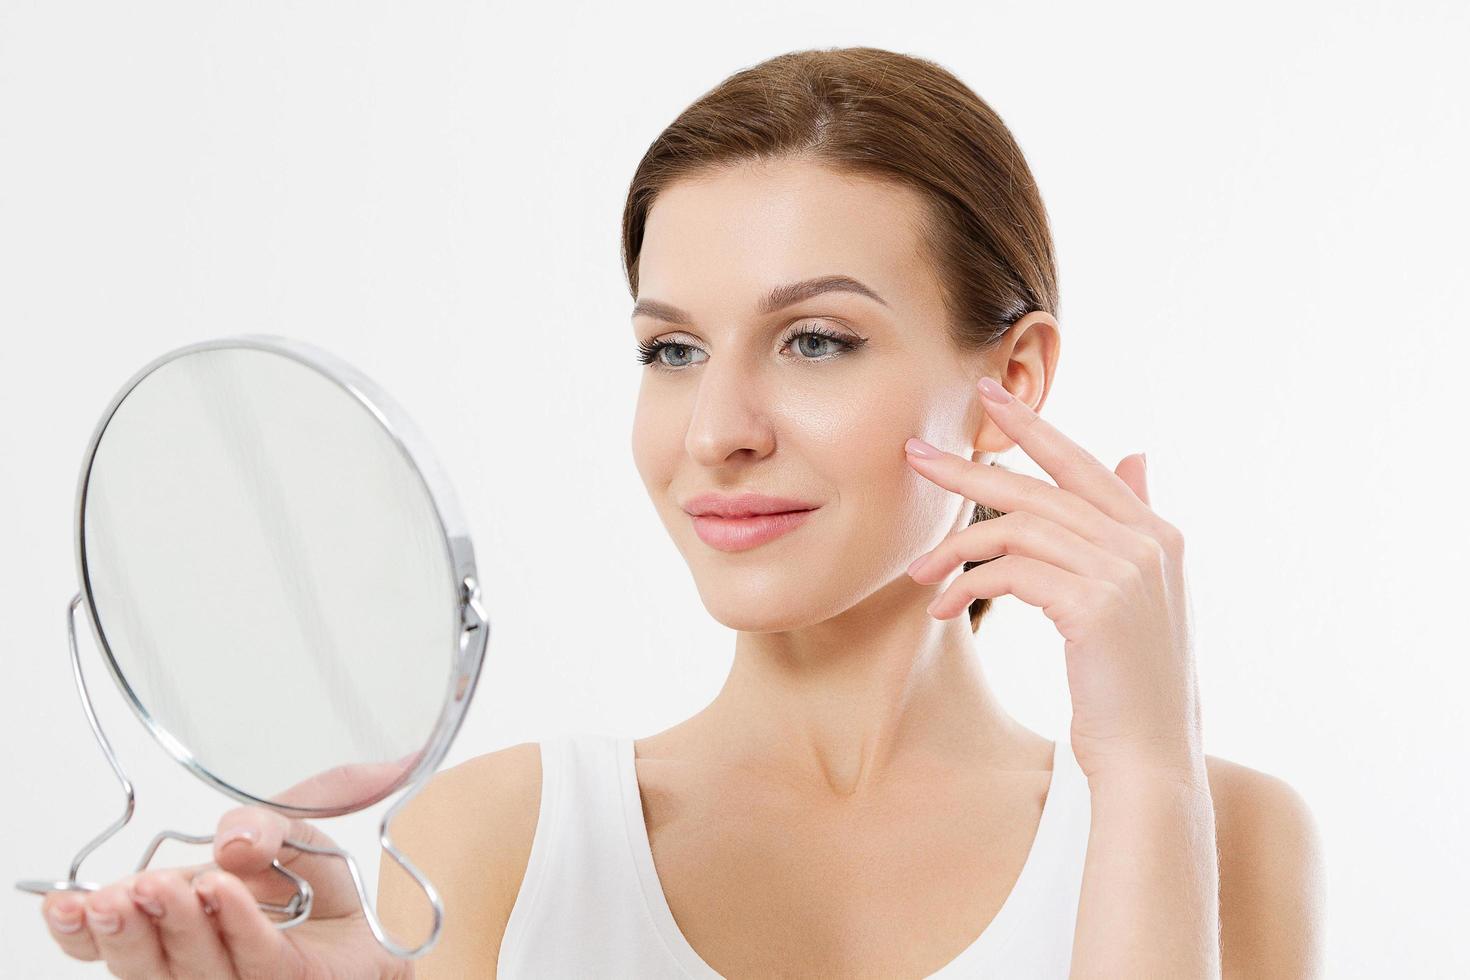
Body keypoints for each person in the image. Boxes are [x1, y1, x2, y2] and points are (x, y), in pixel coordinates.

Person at [41, 46, 1325, 978]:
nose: (717, 430)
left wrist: (1149, 765)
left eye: (816, 341)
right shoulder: (499, 842)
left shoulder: (1224, 835)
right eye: (671, 350)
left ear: (1011, 382)